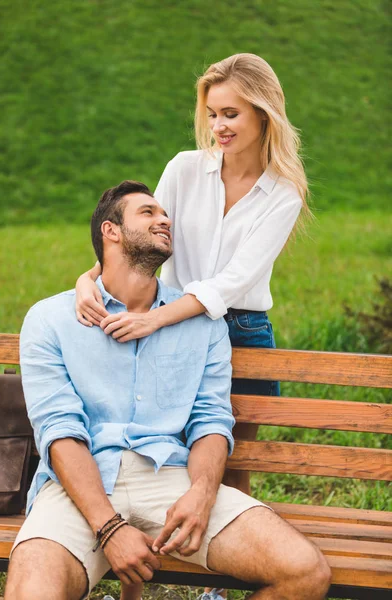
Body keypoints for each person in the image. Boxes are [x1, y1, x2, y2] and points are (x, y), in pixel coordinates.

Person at [5, 181, 331, 600]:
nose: (165, 219)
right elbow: (59, 431)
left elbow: (211, 421)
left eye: (164, 213)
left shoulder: (203, 325)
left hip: (171, 478)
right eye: (148, 212)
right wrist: (109, 527)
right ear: (112, 231)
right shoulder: (50, 319)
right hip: (80, 487)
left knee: (304, 572)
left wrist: (202, 492)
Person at [75, 53, 309, 494]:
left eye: (231, 114)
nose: (219, 125)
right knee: (171, 454)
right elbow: (143, 238)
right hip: (171, 325)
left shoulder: (283, 193)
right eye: (213, 114)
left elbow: (234, 280)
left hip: (240, 329)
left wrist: (154, 319)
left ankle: (231, 550)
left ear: (263, 113)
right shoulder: (184, 168)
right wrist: (86, 279)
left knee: (233, 463)